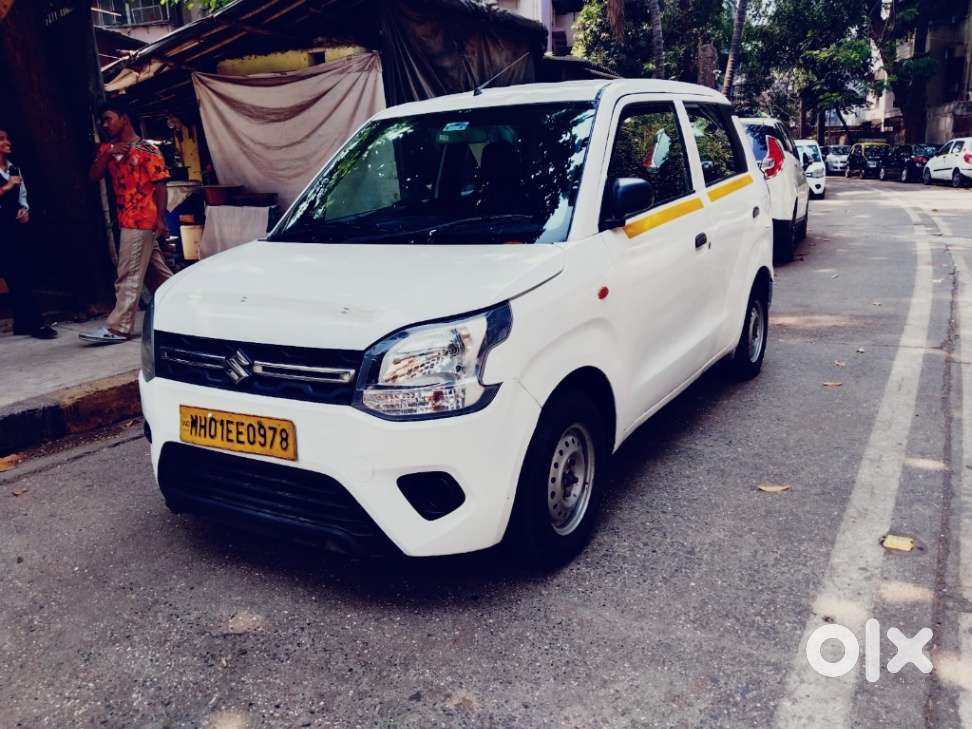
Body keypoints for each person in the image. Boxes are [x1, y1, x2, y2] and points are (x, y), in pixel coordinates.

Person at [81, 99, 172, 344]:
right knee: (158, 276)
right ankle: (180, 310)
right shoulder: (108, 149)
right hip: (128, 220)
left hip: (143, 218)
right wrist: (109, 153)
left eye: (109, 119)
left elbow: (160, 186)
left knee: (128, 274)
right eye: (103, 121)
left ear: (124, 118)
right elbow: (94, 175)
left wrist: (161, 219)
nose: (105, 124)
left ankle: (119, 328)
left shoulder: (148, 150)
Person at [0, 127, 58, 339]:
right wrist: (6, 187)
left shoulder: (14, 169)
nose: (7, 142)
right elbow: (10, 189)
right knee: (16, 275)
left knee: (21, 274)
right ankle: (34, 323)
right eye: (1, 139)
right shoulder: (8, 177)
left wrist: (25, 210)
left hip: (14, 228)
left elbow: (22, 195)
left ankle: (25, 322)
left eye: (7, 137)